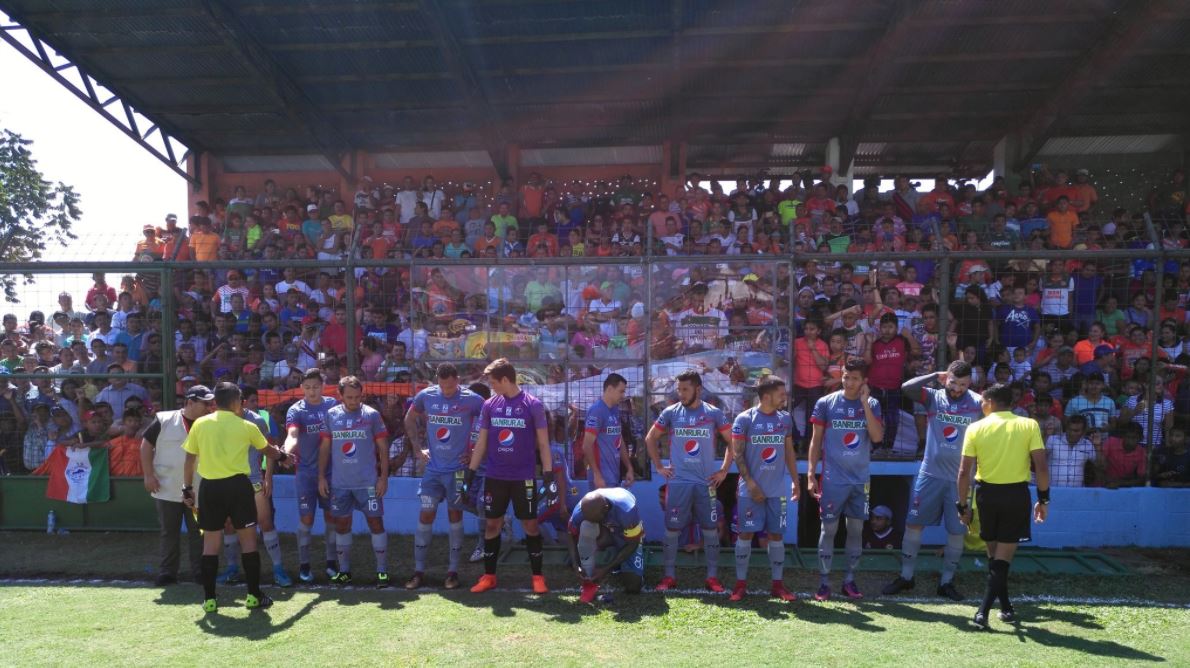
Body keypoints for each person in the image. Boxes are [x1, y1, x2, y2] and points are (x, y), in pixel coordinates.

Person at [182, 382, 291, 613]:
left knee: (210, 545)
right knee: (249, 542)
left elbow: (189, 459)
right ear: (235, 402)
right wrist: (284, 457)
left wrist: (187, 488)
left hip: (209, 488)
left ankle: (210, 600)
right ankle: (253, 596)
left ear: (215, 402)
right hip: (239, 487)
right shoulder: (246, 425)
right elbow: (268, 451)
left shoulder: (200, 424)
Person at [883, 361, 982, 601]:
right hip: (930, 475)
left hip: (961, 481)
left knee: (957, 531)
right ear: (945, 379)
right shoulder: (934, 397)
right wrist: (933, 375)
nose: (957, 389)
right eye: (953, 382)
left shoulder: (979, 403)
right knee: (914, 525)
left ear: (970, 384)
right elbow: (906, 387)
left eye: (963, 384)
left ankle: (947, 582)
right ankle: (906, 577)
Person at [957, 382, 1050, 630]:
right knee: (1001, 559)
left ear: (990, 402)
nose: (981, 406)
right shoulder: (1028, 425)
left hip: (985, 496)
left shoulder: (975, 428)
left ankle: (999, 608)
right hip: (1015, 496)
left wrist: (962, 506)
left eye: (982, 402)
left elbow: (964, 472)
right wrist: (1043, 500)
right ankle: (985, 611)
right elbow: (1041, 467)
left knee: (995, 557)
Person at [459, 358, 556, 594]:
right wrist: (469, 473)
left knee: (530, 525)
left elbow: (543, 443)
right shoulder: (490, 405)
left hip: (524, 477)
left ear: (505, 380)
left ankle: (537, 577)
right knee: (492, 524)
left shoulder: (533, 405)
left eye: (494, 383)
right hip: (495, 476)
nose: (491, 387)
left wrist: (548, 474)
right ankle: (489, 576)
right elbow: (480, 442)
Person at [645, 370, 732, 593]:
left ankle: (712, 578)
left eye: (685, 389)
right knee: (672, 530)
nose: (681, 394)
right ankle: (669, 577)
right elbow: (650, 438)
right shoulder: (671, 413)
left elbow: (733, 442)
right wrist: (659, 467)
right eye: (679, 389)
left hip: (706, 483)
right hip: (679, 483)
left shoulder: (714, 414)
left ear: (698, 389)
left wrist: (723, 470)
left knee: (711, 530)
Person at [403, 363, 485, 590]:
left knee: (454, 517)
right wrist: (418, 449)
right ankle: (418, 572)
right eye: (443, 386)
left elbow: (488, 422)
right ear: (437, 381)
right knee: (425, 515)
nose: (447, 391)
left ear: (457, 380)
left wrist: (475, 450)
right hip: (433, 472)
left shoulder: (472, 399)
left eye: (451, 386)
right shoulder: (426, 396)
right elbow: (409, 419)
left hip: (457, 473)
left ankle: (452, 572)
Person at [807, 359, 884, 601]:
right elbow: (815, 441)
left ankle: (849, 581)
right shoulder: (825, 403)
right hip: (832, 480)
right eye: (846, 377)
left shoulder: (872, 404)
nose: (849, 382)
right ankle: (823, 583)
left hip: (860, 480)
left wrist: (864, 403)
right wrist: (810, 473)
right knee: (828, 529)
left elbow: (877, 436)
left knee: (856, 530)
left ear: (864, 382)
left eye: (854, 378)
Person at [729, 375, 799, 602]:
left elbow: (788, 451)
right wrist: (750, 483)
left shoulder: (785, 419)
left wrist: (796, 481)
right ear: (767, 396)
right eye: (781, 394)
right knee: (746, 533)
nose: (785, 397)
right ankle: (740, 585)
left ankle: (778, 585)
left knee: (776, 535)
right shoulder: (744, 419)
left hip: (777, 489)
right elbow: (737, 454)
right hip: (750, 489)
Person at [318, 376, 391, 587]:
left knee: (376, 523)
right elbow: (324, 448)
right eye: (349, 397)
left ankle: (382, 571)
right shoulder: (331, 415)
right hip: (340, 484)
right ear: (340, 396)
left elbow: (383, 448)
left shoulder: (372, 415)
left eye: (357, 397)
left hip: (368, 483)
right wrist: (321, 476)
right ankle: (345, 572)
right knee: (341, 525)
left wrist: (383, 478)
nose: (354, 401)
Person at [140, 385, 214, 586]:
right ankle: (167, 573)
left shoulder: (211, 422)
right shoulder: (164, 419)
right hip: (165, 486)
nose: (209, 407)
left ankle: (201, 572)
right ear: (190, 402)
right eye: (205, 403)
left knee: (199, 532)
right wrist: (148, 475)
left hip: (199, 488)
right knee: (168, 531)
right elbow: (146, 445)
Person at [283, 369, 340, 583]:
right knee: (306, 519)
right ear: (301, 388)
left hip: (332, 472)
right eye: (307, 387)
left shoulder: (333, 406)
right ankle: (304, 565)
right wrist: (285, 451)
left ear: (323, 386)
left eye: (315, 386)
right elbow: (292, 435)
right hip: (306, 473)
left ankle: (331, 562)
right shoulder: (296, 410)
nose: (311, 391)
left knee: (331, 518)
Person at [566, 488, 646, 604]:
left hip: (626, 534)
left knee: (633, 587)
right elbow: (570, 534)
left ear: (606, 510)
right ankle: (589, 578)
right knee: (586, 526)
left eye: (595, 519)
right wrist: (574, 563)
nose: (592, 520)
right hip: (605, 531)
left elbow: (632, 543)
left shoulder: (627, 510)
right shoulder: (581, 510)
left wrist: (606, 569)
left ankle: (624, 565)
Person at [583, 373, 635, 489]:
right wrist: (597, 474)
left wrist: (629, 468)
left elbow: (619, 439)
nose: (623, 395)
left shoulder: (615, 409)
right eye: (621, 391)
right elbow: (586, 446)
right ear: (610, 389)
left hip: (614, 477)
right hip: (601, 480)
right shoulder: (596, 411)